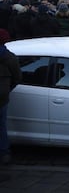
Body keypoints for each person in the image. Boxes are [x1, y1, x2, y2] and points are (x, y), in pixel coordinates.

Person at [0, 29, 22, 164]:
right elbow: (17, 77)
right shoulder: (9, 57)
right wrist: (7, 89)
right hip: (2, 96)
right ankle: (4, 152)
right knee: (1, 126)